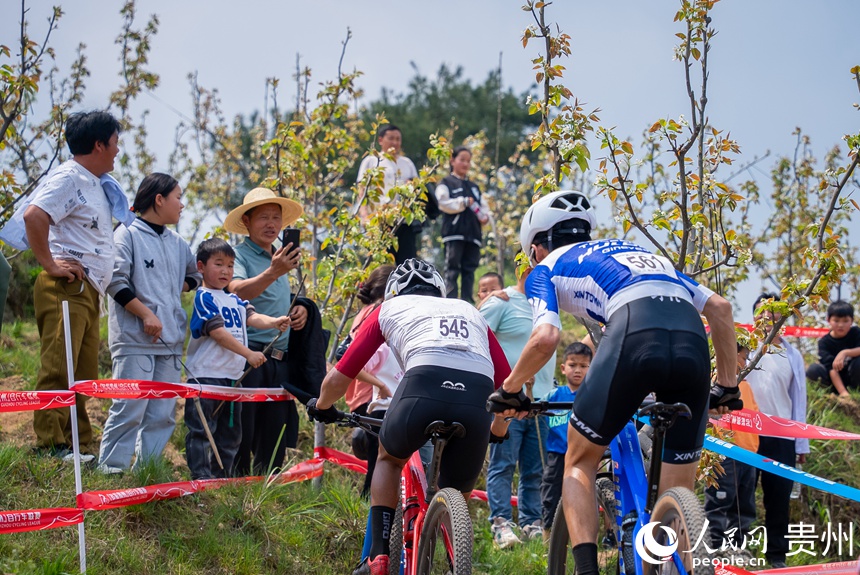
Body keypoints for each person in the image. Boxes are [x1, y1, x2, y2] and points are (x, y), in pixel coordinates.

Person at [486, 190, 739, 575]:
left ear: (535, 247)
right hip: (691, 340)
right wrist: (727, 386)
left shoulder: (546, 268)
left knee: (580, 459)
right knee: (678, 491)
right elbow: (720, 309)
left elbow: (545, 339)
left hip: (635, 333)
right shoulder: (638, 254)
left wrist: (510, 389)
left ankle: (588, 569)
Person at [307, 259, 511, 575]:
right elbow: (506, 381)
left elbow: (342, 373)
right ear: (440, 291)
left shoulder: (387, 309)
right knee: (459, 489)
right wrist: (498, 428)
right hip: (476, 397)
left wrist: (321, 406)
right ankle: (457, 560)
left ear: (393, 292)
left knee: (388, 458)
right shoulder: (470, 310)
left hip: (423, 386)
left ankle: (378, 557)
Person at [14, 110, 127, 460]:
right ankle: (50, 445)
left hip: (87, 290)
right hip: (65, 287)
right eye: (114, 144)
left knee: (82, 371)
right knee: (59, 365)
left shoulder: (94, 183)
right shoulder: (69, 177)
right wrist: (50, 263)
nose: (117, 151)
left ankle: (76, 444)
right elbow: (34, 215)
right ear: (98, 145)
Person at [98, 173, 201, 474]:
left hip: (169, 342)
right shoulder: (126, 234)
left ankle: (147, 471)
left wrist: (173, 290)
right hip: (133, 339)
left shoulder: (179, 242)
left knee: (163, 413)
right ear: (159, 199)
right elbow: (114, 282)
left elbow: (195, 275)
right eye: (178, 197)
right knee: (129, 406)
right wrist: (146, 313)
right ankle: (112, 470)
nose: (182, 205)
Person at [184, 238, 290, 479]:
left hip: (233, 378)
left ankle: (222, 478)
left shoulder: (234, 300)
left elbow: (252, 317)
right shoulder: (204, 297)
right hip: (206, 377)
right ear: (201, 267)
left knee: (231, 433)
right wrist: (248, 354)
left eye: (230, 266)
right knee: (202, 431)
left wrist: (274, 322)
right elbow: (218, 333)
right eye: (218, 264)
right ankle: (201, 479)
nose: (225, 271)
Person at [224, 187, 309, 476]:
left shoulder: (282, 257)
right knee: (243, 431)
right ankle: (234, 494)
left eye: (276, 218)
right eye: (263, 217)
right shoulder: (238, 255)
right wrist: (273, 272)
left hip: (279, 357)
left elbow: (278, 299)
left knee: (273, 434)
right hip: (250, 354)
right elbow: (235, 292)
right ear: (246, 221)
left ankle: (267, 497)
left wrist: (300, 309)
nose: (271, 224)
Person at [480, 264, 555, 547]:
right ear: (522, 270)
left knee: (535, 469)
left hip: (542, 401)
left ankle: (531, 523)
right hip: (508, 400)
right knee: (503, 464)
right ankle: (501, 523)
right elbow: (472, 331)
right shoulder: (503, 301)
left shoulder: (548, 305)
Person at [745, 293, 809, 569]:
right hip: (746, 435)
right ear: (754, 317)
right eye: (762, 312)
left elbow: (799, 400)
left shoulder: (792, 355)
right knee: (742, 496)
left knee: (778, 498)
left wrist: (801, 444)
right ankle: (737, 552)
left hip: (782, 436)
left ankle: (777, 556)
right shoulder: (743, 348)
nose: (768, 317)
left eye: (774, 312)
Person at [342, 264, 400, 497]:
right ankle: (372, 510)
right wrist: (380, 384)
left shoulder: (363, 313)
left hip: (362, 393)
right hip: (375, 394)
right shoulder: (380, 311)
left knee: (377, 461)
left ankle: (369, 507)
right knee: (381, 461)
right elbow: (351, 358)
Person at [704, 343, 760, 553]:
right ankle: (715, 549)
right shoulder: (713, 384)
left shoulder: (745, 385)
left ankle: (737, 548)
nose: (745, 362)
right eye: (743, 357)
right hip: (724, 453)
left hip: (748, 455)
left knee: (744, 506)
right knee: (719, 504)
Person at [541, 342, 591, 534]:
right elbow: (536, 408)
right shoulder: (555, 395)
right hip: (557, 454)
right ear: (563, 368)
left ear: (590, 368)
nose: (577, 370)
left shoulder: (590, 396)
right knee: (551, 492)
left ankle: (578, 534)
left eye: (583, 366)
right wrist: (528, 390)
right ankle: (548, 536)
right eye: (573, 365)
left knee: (582, 493)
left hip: (583, 455)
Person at [356, 124, 420, 264]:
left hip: (403, 221)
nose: (395, 143)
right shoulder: (371, 161)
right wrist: (364, 216)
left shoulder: (407, 163)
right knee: (379, 264)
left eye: (398, 139)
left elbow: (417, 191)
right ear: (380, 140)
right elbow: (362, 191)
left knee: (407, 263)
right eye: (391, 138)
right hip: (379, 220)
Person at [435, 146, 489, 302]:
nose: (466, 164)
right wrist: (462, 202)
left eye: (468, 161)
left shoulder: (474, 187)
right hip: (454, 233)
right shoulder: (446, 183)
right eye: (462, 160)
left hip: (473, 235)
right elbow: (443, 203)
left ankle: (467, 302)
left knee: (469, 269)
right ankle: (450, 301)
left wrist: (485, 217)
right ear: (452, 160)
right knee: (452, 269)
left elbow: (484, 207)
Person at [806, 300, 860, 397]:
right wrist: (843, 393)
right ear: (828, 320)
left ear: (852, 321)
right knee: (814, 369)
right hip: (834, 382)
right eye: (836, 321)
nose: (840, 325)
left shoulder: (856, 333)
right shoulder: (824, 343)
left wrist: (845, 352)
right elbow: (831, 369)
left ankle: (857, 392)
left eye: (845, 321)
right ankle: (826, 395)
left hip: (854, 378)